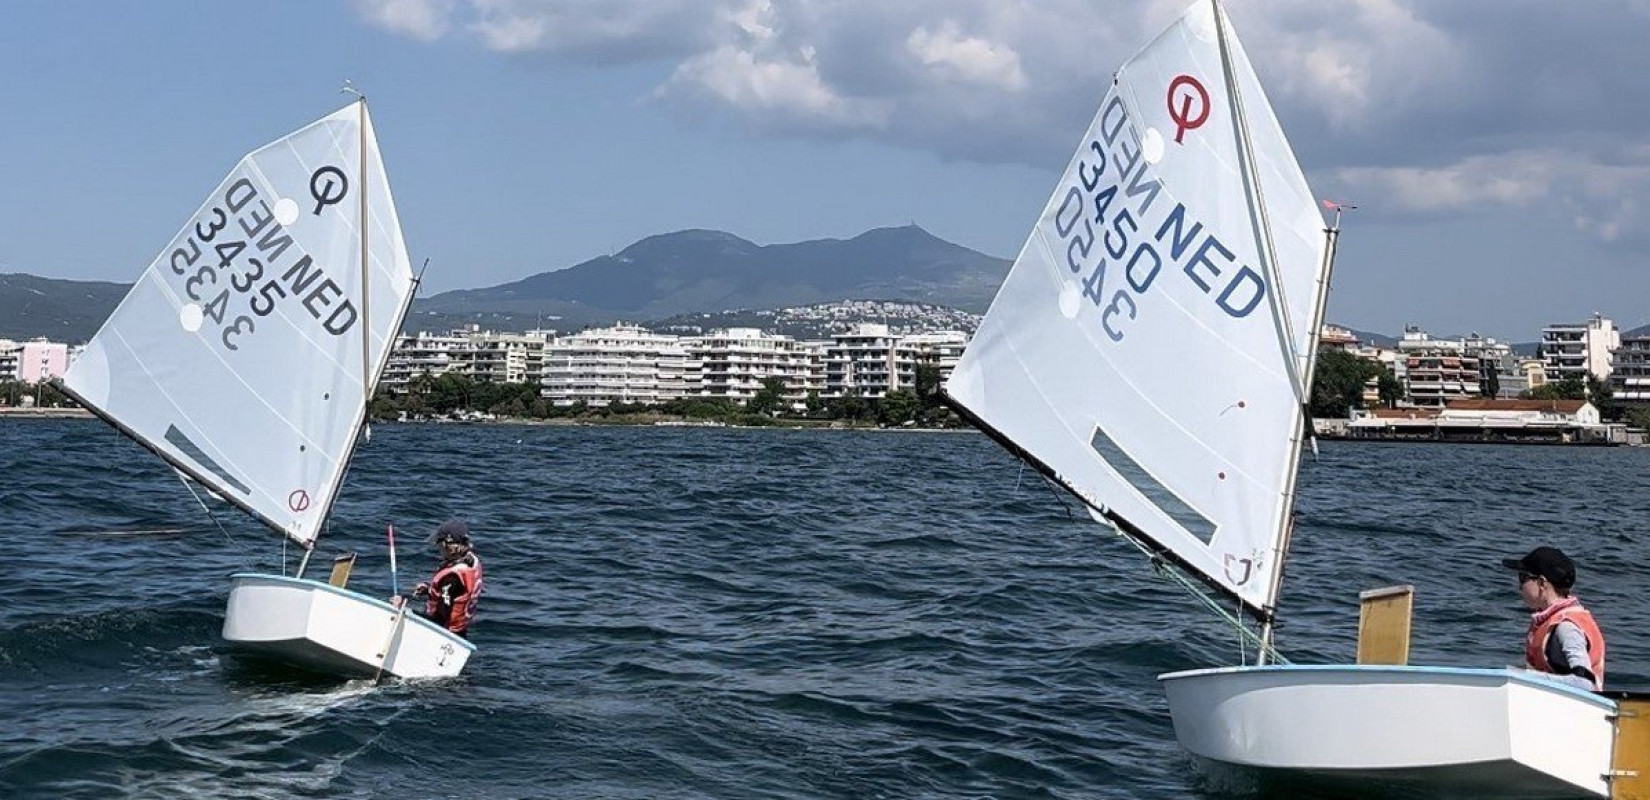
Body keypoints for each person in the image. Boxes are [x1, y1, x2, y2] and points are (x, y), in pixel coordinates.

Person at [1502, 546, 1605, 691]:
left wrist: (1522, 677)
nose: (1519, 587)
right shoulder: (1550, 620)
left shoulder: (1566, 627)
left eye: (1523, 578)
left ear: (1542, 583)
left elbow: (1584, 682)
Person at [395, 519, 484, 638]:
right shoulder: (471, 561)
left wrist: (404, 609)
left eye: (439, 542)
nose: (437, 547)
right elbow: (456, 593)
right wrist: (429, 589)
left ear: (447, 545)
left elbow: (439, 620)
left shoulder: (452, 577)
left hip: (446, 636)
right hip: (461, 631)